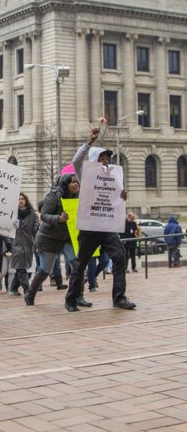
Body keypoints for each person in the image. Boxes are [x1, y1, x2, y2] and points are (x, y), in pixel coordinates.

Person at [65, 126, 136, 311]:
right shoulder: (85, 174)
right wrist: (90, 142)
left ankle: (119, 298)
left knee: (119, 257)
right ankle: (71, 299)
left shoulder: (113, 176)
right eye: (101, 159)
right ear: (94, 161)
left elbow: (115, 200)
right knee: (80, 263)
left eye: (107, 159)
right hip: (90, 227)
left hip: (108, 226)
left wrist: (122, 198)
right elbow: (76, 160)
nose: (105, 162)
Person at [26, 170, 80, 306]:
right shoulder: (54, 196)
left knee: (77, 266)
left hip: (67, 237)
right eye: (73, 182)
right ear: (66, 183)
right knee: (45, 270)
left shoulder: (78, 196)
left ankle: (78, 296)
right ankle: (30, 294)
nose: (76, 184)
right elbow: (43, 215)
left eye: (77, 182)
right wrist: (59, 219)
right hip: (48, 238)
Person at [6, 193, 38, 295]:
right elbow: (5, 229)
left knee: (22, 269)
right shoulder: (11, 213)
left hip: (28, 245)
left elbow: (35, 228)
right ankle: (28, 291)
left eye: (22, 199)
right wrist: (11, 224)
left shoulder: (32, 214)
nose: (21, 201)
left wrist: (38, 228)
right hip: (16, 244)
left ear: (26, 200)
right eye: (18, 199)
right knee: (21, 269)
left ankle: (13, 288)